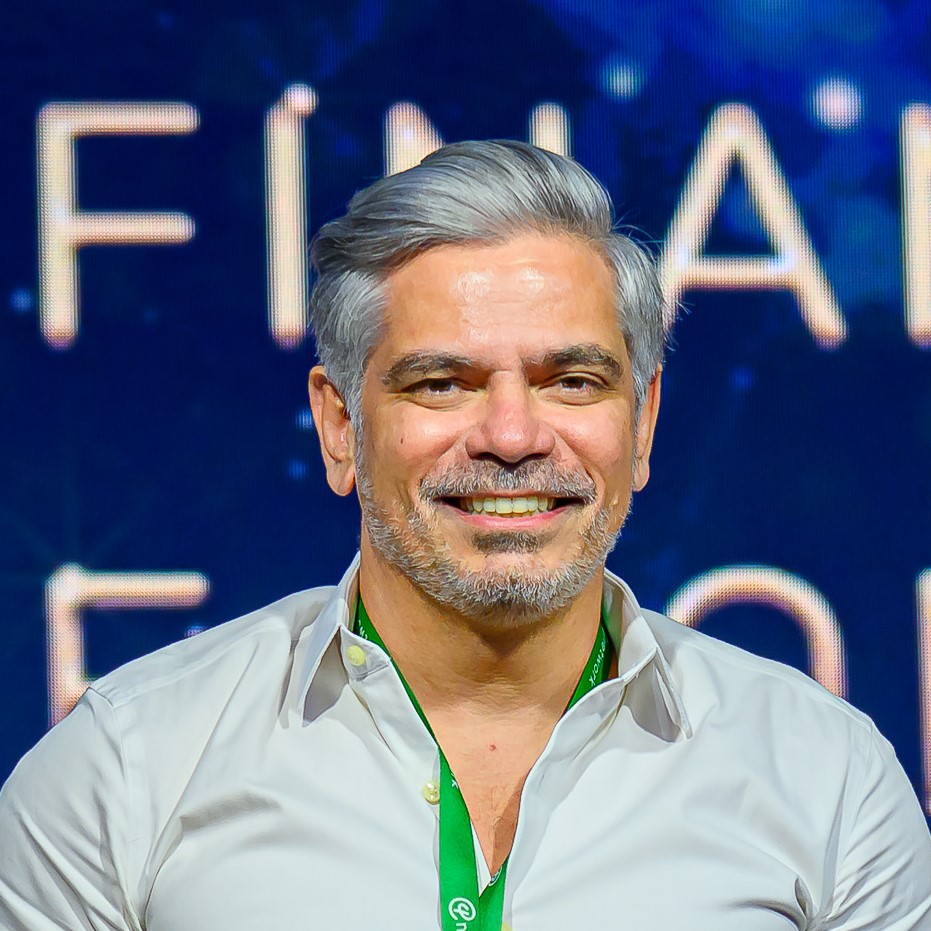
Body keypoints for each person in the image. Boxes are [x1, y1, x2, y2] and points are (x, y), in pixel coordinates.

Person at [1, 140, 929, 930]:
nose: (513, 437)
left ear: (642, 423)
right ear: (339, 427)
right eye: (441, 383)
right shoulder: (123, 771)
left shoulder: (827, 780)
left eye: (572, 381)